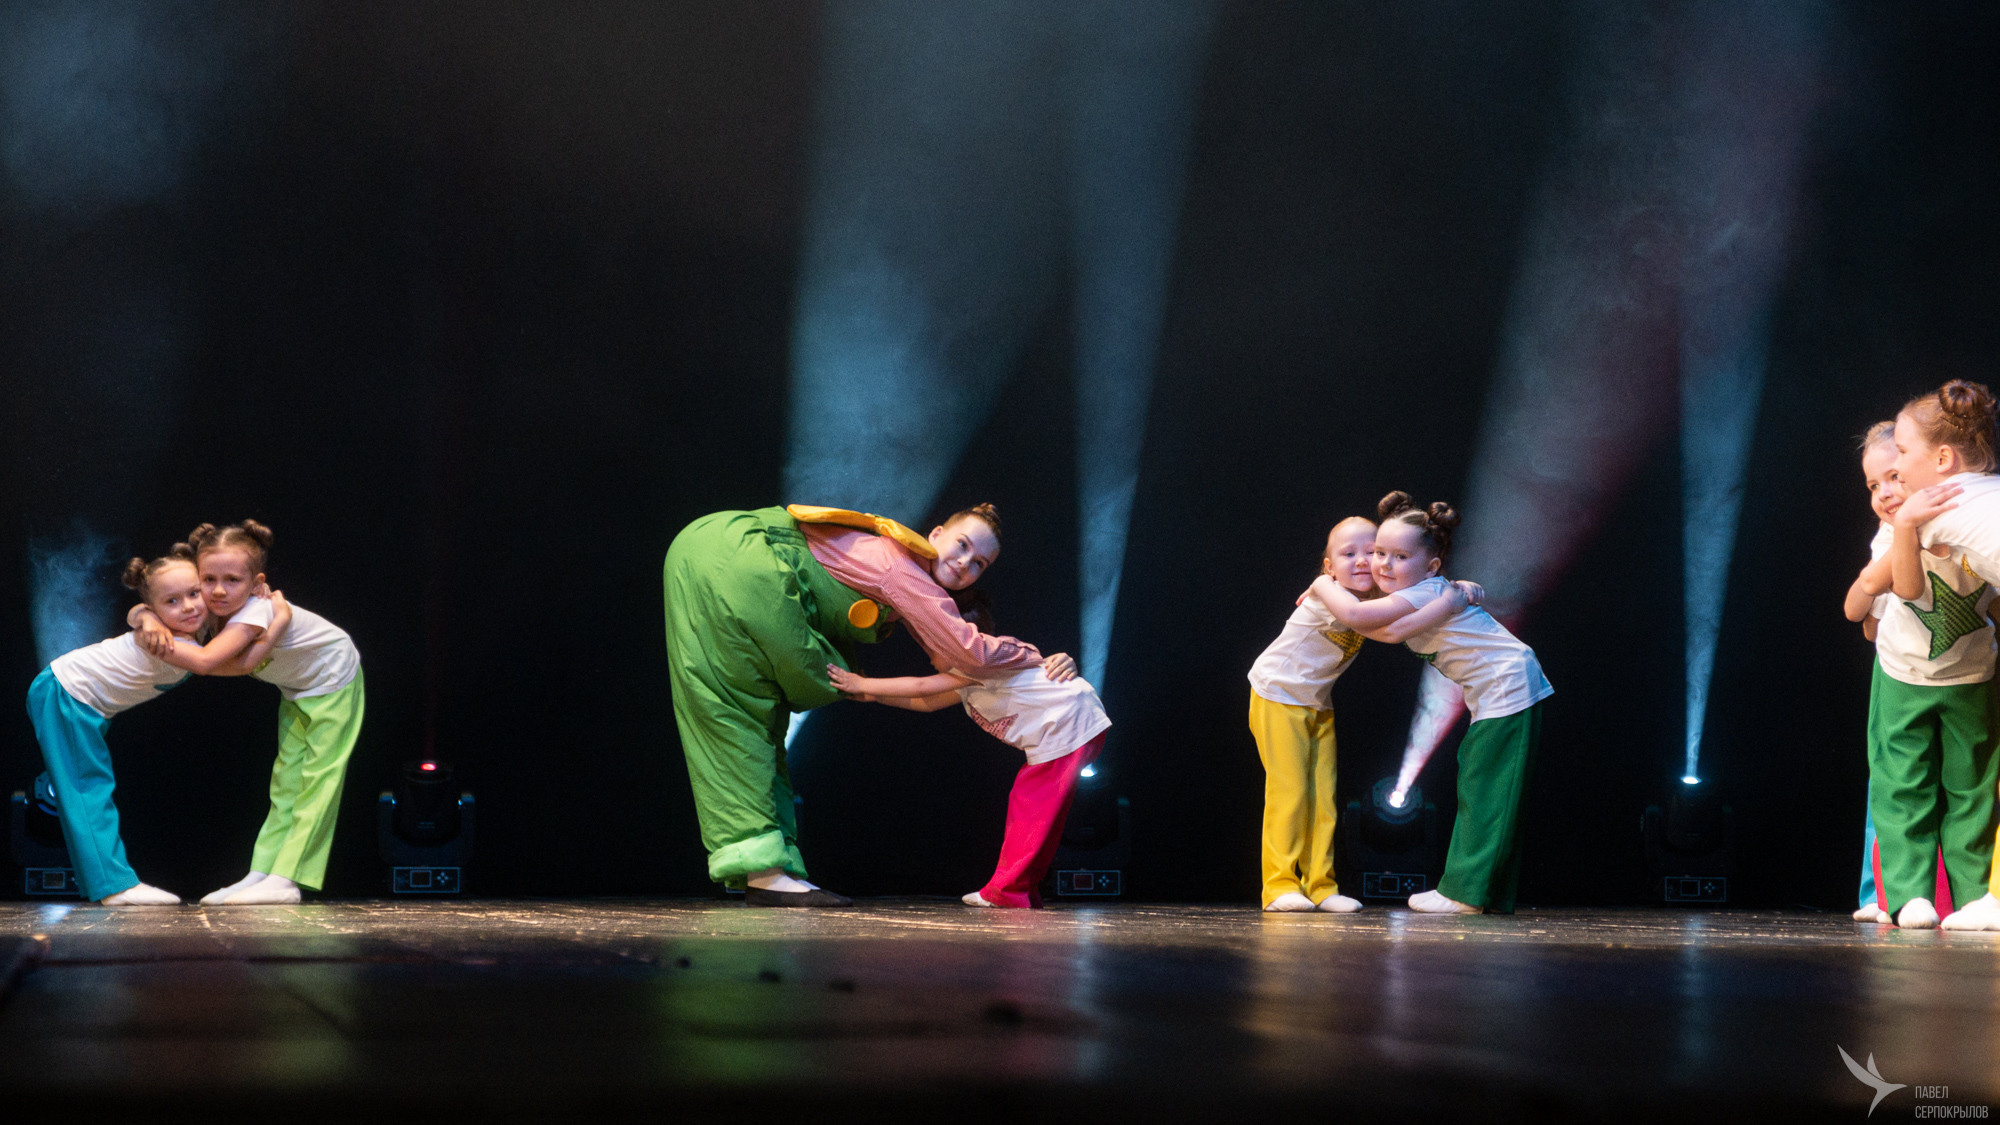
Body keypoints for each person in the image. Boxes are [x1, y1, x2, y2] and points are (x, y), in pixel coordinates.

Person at [663, 503, 1043, 906]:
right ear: (935, 536)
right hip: (738, 560)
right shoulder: (903, 572)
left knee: (752, 717)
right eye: (962, 545)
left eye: (979, 563)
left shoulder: (904, 571)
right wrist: (1034, 656)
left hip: (712, 552)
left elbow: (936, 676)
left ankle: (769, 865)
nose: (965, 562)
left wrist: (870, 687)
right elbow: (968, 653)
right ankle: (764, 872)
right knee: (743, 715)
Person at [1306, 491, 1552, 915]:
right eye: (1380, 552)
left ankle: (1464, 893)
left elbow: (1370, 625)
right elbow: (1384, 629)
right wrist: (1451, 600)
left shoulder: (1423, 593)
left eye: (1400, 557)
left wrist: (1322, 585)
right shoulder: (1432, 594)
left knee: (1487, 788)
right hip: (1499, 688)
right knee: (1488, 785)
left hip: (1506, 685)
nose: (1383, 564)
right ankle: (1487, 894)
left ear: (1431, 566)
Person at [33, 550, 289, 905]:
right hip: (66, 693)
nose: (188, 606)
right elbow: (232, 663)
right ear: (156, 608)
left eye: (193, 593)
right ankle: (113, 887)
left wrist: (145, 615)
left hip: (84, 703)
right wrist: (278, 619)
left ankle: (106, 883)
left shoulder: (177, 625)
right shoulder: (166, 643)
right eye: (172, 601)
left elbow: (142, 609)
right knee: (86, 787)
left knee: (88, 784)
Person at [1250, 516, 1476, 913]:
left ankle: (1321, 886)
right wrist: (1449, 601)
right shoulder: (1331, 594)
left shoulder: (1370, 601)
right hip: (1277, 695)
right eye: (1347, 553)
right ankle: (1279, 884)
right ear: (1328, 567)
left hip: (1316, 703)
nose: (1360, 561)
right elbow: (1388, 626)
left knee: (1323, 798)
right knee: (1290, 793)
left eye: (1371, 553)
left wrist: (1459, 590)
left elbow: (1407, 606)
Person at [132, 521, 364, 906]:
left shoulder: (256, 612)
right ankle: (263, 872)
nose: (218, 590)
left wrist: (278, 626)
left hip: (334, 678)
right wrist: (146, 617)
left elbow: (208, 664)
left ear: (257, 582)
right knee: (286, 781)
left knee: (318, 778)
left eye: (232, 580)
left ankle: (287, 878)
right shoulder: (205, 606)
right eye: (209, 579)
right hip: (297, 689)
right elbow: (148, 601)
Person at [826, 591, 1093, 908]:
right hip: (1070, 728)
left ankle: (1006, 891)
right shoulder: (968, 679)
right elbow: (928, 701)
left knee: (1029, 811)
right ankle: (1022, 890)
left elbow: (922, 687)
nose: (931, 652)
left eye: (939, 642)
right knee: (1040, 814)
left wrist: (862, 684)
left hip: (1065, 723)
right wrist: (874, 698)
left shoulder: (981, 660)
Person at [1877, 382, 2000, 929]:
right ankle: (1972, 899)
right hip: (1931, 670)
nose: (1896, 467)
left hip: (1963, 672)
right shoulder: (1986, 491)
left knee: (1960, 782)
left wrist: (1904, 523)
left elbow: (1904, 587)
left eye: (1903, 453)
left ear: (1944, 459)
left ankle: (1951, 898)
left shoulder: (1938, 503)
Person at [1843, 422, 1972, 925]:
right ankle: (1883, 893)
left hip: (1964, 674)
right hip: (1902, 677)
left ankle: (1961, 896)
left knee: (1962, 785)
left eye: (1894, 476)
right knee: (1895, 783)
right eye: (1873, 485)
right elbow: (1866, 622)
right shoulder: (1888, 537)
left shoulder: (1961, 520)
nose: (1884, 493)